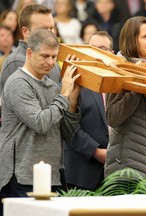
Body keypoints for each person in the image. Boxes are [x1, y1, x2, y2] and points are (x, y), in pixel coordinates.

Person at [0, 28, 81, 216]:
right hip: (21, 176)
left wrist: (73, 101)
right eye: (45, 56)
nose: (51, 62)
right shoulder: (17, 83)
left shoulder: (53, 87)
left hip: (53, 176)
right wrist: (64, 95)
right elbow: (40, 123)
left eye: (54, 57)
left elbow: (67, 133)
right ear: (29, 53)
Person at [104, 16, 146, 177]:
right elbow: (112, 117)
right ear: (131, 40)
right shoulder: (119, 69)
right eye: (145, 37)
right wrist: (137, 85)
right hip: (126, 166)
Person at [64, 31, 112, 191]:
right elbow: (67, 124)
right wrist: (95, 151)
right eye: (93, 49)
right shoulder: (74, 79)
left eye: (103, 49)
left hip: (114, 176)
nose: (97, 53)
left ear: (112, 53)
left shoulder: (119, 85)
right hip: (82, 172)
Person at [0, 4, 61, 95]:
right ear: (25, 32)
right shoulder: (16, 62)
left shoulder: (53, 62)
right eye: (43, 29)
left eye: (51, 28)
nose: (50, 33)